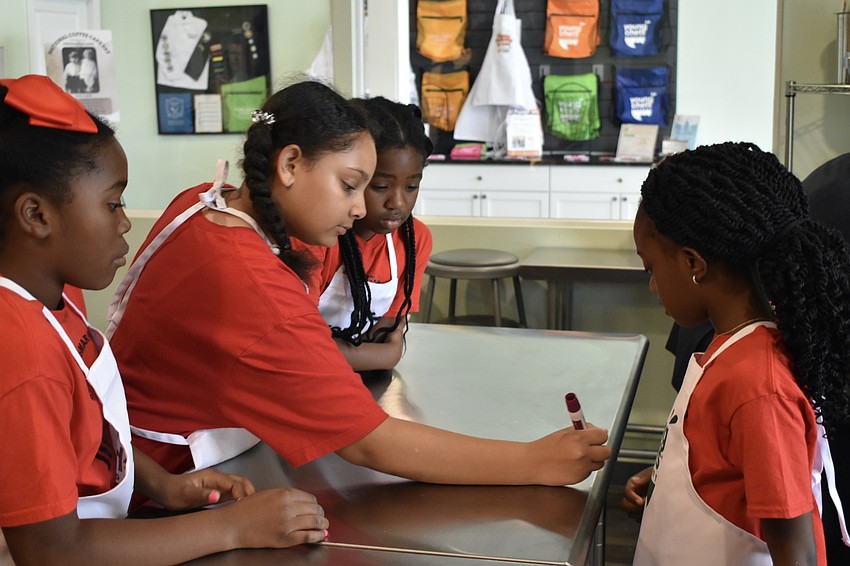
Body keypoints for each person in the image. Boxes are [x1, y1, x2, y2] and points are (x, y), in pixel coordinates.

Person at [106, 79, 610, 489]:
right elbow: (369, 441)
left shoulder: (203, 201)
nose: (359, 206)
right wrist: (532, 462)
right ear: (289, 164)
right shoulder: (252, 285)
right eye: (350, 185)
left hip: (138, 451)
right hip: (169, 476)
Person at [0, 75, 329, 565]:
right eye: (112, 203)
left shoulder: (54, 302)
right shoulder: (22, 351)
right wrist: (233, 527)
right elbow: (52, 550)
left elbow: (87, 432)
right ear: (36, 215)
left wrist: (161, 483)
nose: (125, 221)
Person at [627, 142, 850, 565]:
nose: (652, 286)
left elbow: (796, 551)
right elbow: (730, 462)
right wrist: (667, 475)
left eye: (650, 268)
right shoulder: (728, 347)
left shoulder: (758, 388)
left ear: (694, 263)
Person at [314, 96, 433, 371]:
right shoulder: (319, 236)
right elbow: (295, 346)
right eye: (380, 187)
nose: (397, 203)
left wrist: (369, 354)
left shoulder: (415, 240)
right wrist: (385, 356)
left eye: (411, 187)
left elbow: (386, 331)